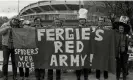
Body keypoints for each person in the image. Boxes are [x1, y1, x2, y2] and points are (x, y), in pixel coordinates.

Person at [113, 16, 130, 80]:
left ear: (124, 29)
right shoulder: (115, 34)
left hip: (125, 52)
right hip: (118, 52)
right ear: (118, 28)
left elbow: (130, 41)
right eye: (120, 28)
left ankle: (124, 77)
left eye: (122, 28)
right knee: (118, 66)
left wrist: (130, 42)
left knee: (124, 66)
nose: (121, 30)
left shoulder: (127, 35)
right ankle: (117, 77)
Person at [75, 8, 90, 80]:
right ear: (79, 20)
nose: (82, 21)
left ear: (85, 20)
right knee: (78, 65)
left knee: (86, 65)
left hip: (86, 50)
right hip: (77, 50)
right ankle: (78, 78)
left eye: (83, 19)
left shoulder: (89, 29)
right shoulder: (75, 29)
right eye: (81, 19)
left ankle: (86, 78)